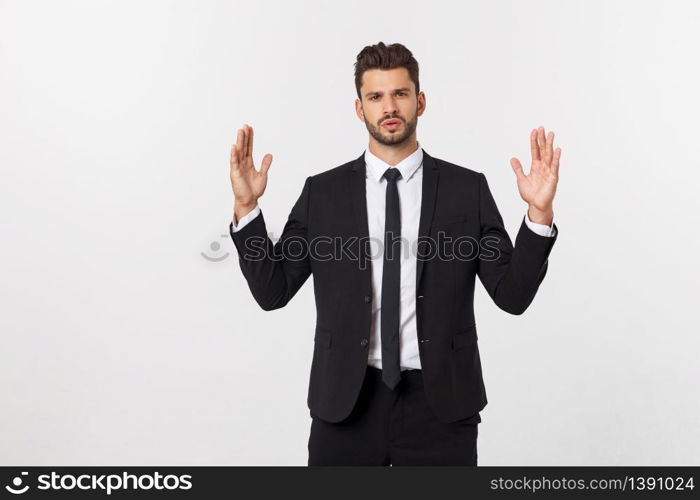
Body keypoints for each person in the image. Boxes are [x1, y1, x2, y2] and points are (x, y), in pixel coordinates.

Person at [227, 41, 561, 466]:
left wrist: (538, 212)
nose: (389, 106)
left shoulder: (466, 191)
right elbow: (272, 292)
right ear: (359, 108)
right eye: (376, 96)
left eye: (400, 94)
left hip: (442, 407)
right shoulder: (323, 194)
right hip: (345, 404)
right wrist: (246, 208)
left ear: (419, 102)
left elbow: (512, 296)